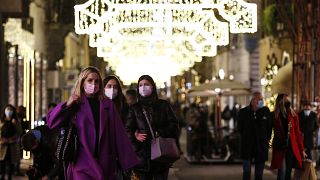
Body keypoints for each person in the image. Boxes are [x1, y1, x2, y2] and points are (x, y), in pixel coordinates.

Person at [46, 66, 139, 179]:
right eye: (90, 80)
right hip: (82, 162)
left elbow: (119, 134)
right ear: (82, 82)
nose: (93, 84)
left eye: (97, 81)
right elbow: (52, 122)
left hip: (105, 161)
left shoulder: (107, 105)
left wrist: (128, 163)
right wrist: (67, 104)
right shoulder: (75, 104)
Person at [125, 75, 179, 180]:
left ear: (153, 87)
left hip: (161, 157)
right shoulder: (134, 109)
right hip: (142, 159)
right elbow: (127, 130)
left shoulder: (164, 105)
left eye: (146, 84)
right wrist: (135, 138)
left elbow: (174, 126)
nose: (143, 87)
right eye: (140, 85)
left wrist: (160, 132)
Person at [270, 94, 306, 180]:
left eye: (288, 100)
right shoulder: (274, 115)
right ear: (280, 101)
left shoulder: (293, 115)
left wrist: (302, 150)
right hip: (280, 145)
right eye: (285, 100)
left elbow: (297, 133)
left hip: (291, 146)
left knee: (288, 170)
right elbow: (268, 130)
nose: (288, 102)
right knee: (282, 169)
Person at [238, 92, 272, 180]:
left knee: (259, 174)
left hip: (261, 146)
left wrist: (267, 139)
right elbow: (240, 128)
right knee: (246, 172)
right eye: (259, 99)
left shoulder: (265, 111)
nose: (261, 101)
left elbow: (269, 127)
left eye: (262, 99)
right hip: (247, 146)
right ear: (253, 100)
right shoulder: (243, 112)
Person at [0, 105, 22, 180]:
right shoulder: (1, 121)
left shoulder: (15, 121)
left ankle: (9, 176)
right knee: (2, 161)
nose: (9, 111)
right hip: (2, 145)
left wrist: (11, 139)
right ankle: (2, 176)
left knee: (10, 162)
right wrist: (2, 140)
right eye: (7, 109)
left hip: (12, 145)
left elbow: (19, 132)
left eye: (10, 110)